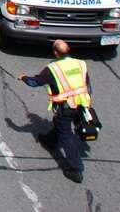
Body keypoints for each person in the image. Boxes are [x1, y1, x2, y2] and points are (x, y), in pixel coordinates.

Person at [18, 40, 93, 183]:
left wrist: (23, 77)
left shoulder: (53, 69)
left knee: (66, 136)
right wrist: (87, 104)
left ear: (55, 52)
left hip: (65, 107)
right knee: (59, 125)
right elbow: (87, 85)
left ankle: (76, 169)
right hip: (81, 104)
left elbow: (35, 82)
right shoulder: (81, 64)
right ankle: (50, 141)